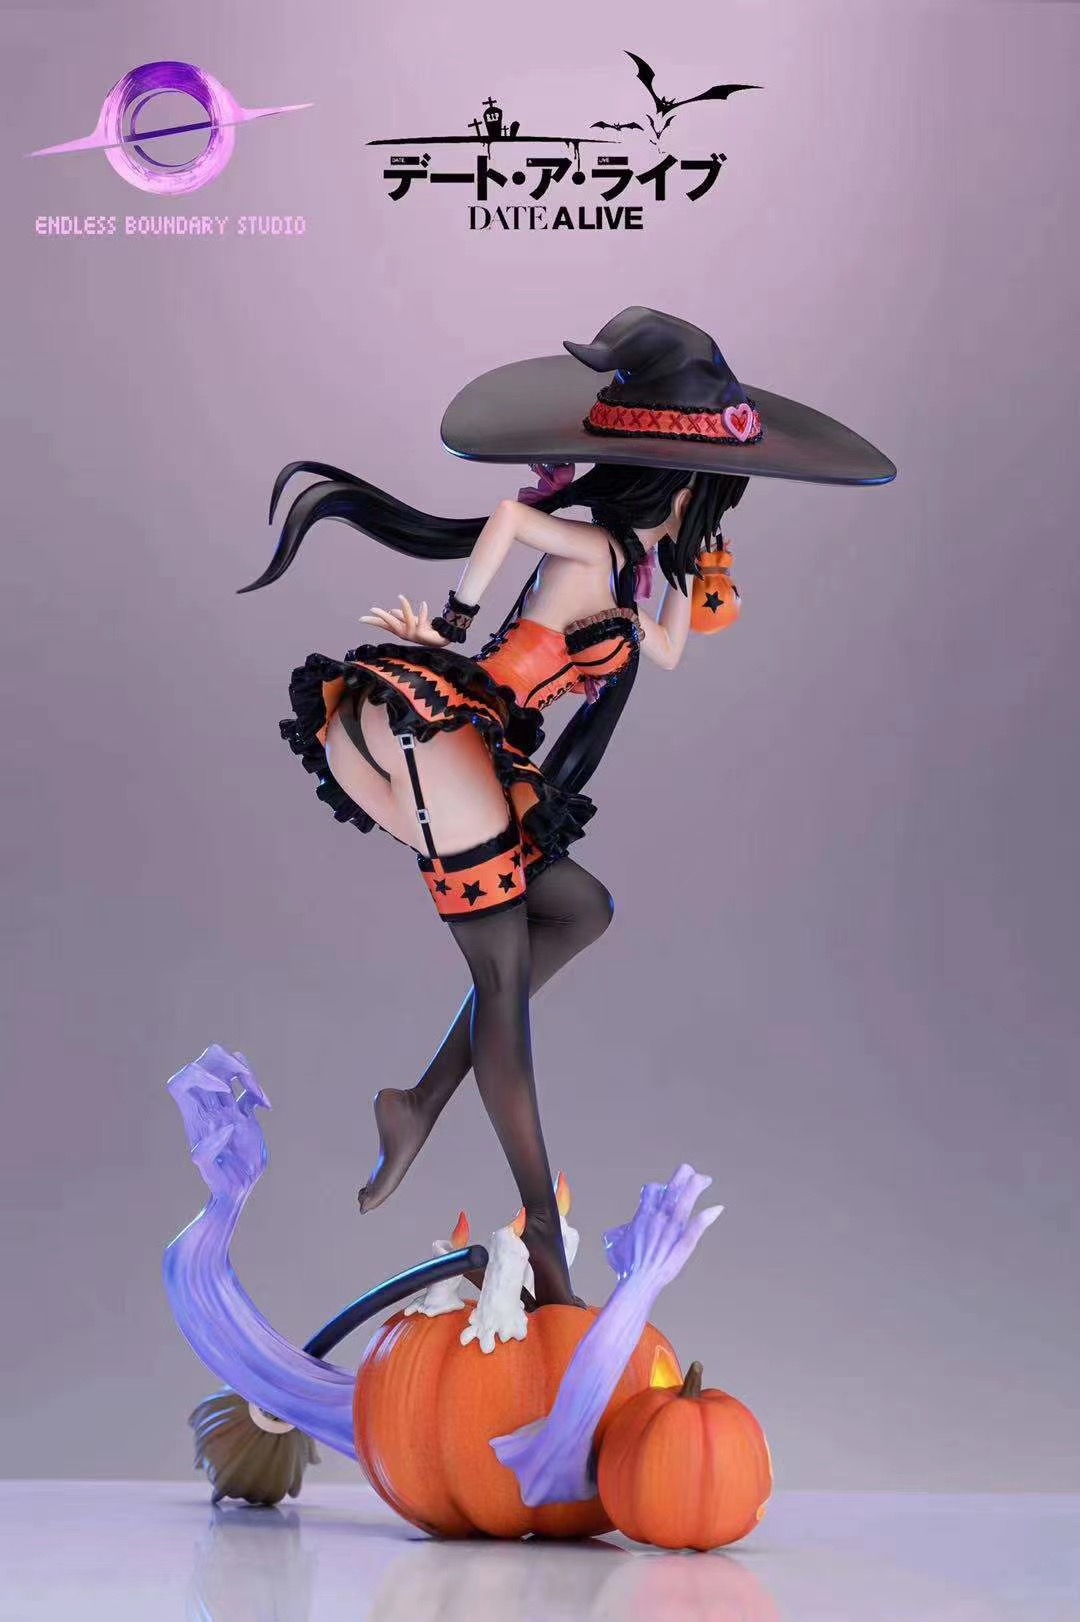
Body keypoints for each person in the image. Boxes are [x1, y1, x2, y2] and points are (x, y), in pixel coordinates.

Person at [241, 306, 896, 1305]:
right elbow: (508, 524)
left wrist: (695, 579)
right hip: (438, 733)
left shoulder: (626, 570)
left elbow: (661, 650)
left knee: (581, 908)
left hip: (469, 755)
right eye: (716, 497)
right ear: (687, 485)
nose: (716, 516)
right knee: (503, 979)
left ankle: (418, 1101)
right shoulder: (591, 547)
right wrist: (452, 623)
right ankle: (541, 1237)